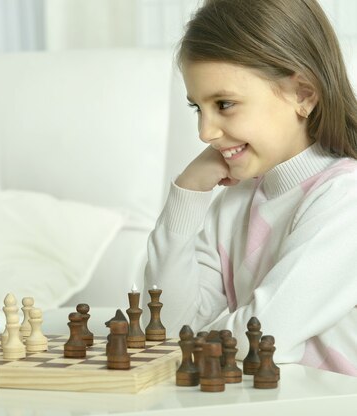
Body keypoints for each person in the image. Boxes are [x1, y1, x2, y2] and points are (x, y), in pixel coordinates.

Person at [144, 0, 357, 376]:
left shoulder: (345, 198)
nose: (205, 133)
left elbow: (262, 335)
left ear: (303, 94)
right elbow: (165, 326)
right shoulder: (237, 200)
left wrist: (187, 343)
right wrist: (188, 191)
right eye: (198, 108)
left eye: (224, 104)